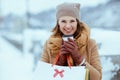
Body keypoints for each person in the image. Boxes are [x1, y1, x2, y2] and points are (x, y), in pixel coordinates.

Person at [40, 2, 102, 80]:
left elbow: (98, 77)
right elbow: (42, 75)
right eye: (63, 21)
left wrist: (79, 59)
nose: (68, 26)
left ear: (77, 23)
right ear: (58, 23)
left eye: (72, 21)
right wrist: (60, 63)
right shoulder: (49, 44)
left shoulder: (90, 44)